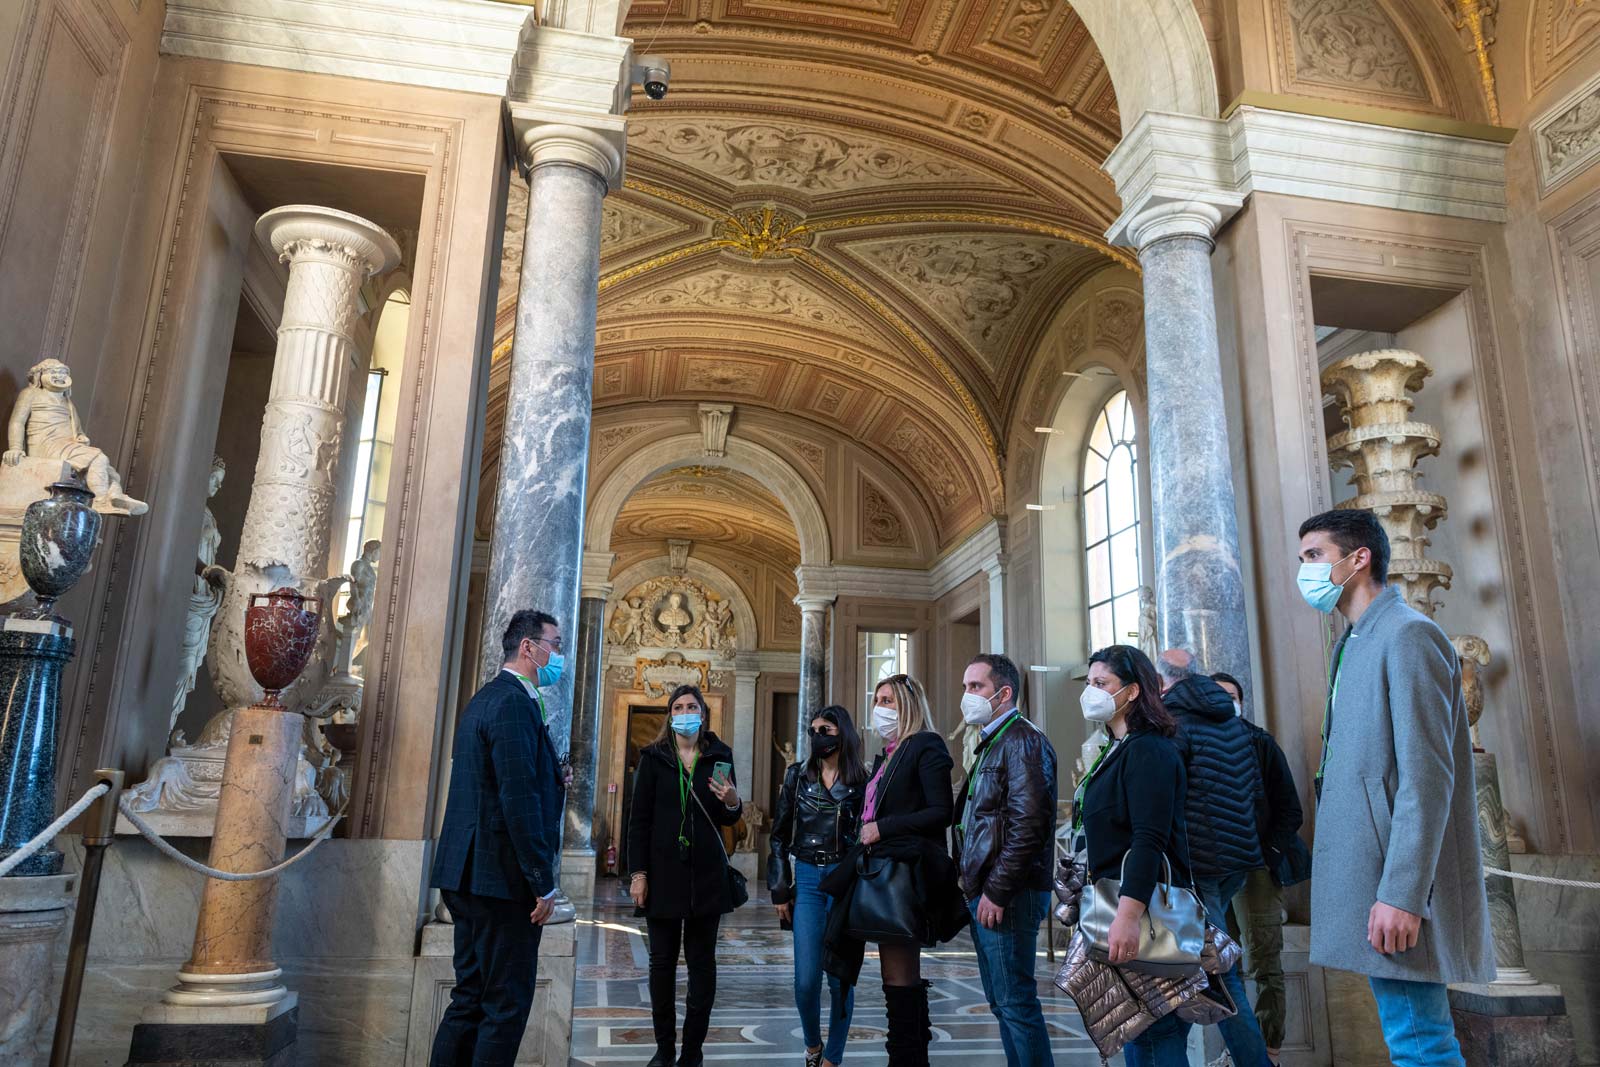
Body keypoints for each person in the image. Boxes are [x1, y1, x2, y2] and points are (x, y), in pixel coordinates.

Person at [1297, 508, 1492, 1067]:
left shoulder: (1409, 634)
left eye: (1314, 556)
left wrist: (1403, 893)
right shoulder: (1350, 643)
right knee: (1408, 1034)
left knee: (1420, 1041)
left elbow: (1427, 778)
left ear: (1359, 559)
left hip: (1396, 883)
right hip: (1369, 875)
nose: (1304, 570)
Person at [429, 610, 567, 1067]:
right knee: (503, 1007)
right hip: (499, 879)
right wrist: (542, 882)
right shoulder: (513, 703)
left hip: (469, 873)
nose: (559, 654)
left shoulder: (487, 698)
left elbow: (498, 781)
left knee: (469, 999)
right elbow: (518, 799)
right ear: (529, 647)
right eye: (556, 644)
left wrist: (552, 773)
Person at [820, 673, 966, 1067]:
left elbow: (941, 812)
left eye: (889, 700)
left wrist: (883, 827)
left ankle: (905, 1059)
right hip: (881, 869)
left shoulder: (926, 746)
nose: (881, 707)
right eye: (878, 699)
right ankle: (910, 1058)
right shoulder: (888, 752)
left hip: (904, 875)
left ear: (909, 705)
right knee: (897, 981)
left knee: (899, 980)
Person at [1071, 644, 1194, 1067]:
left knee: (1155, 1034)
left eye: (1101, 683)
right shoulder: (1117, 747)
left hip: (1145, 911)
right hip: (1121, 904)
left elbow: (1148, 839)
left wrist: (1127, 915)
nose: (1091, 691)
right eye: (1089, 683)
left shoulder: (1149, 750)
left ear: (1134, 691)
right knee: (1139, 1031)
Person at [1154, 649, 1272, 1067]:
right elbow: (1254, 793)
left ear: (1163, 684)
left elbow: (1169, 799)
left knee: (1222, 977)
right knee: (1205, 969)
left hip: (1198, 866)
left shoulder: (1173, 724)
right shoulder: (1233, 722)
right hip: (1234, 861)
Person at [626, 684, 743, 1067]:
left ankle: (692, 1052)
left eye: (692, 705)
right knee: (661, 964)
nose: (686, 711)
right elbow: (638, 820)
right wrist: (638, 873)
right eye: (678, 706)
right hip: (661, 875)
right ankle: (664, 1049)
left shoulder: (720, 756)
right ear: (670, 715)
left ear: (703, 713)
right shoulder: (653, 758)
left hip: (706, 878)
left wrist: (733, 802)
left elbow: (728, 816)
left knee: (702, 966)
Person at [954, 653, 1057, 1066]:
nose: (967, 696)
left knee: (1016, 1003)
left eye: (975, 687)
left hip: (1010, 893)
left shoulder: (1023, 740)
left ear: (1004, 692)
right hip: (989, 890)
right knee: (1002, 1003)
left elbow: (1028, 826)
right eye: (965, 687)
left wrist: (996, 891)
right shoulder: (994, 741)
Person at [1211, 671, 1309, 1067]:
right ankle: (1238, 1051)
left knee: (1263, 961)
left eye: (1230, 695)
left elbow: (1290, 810)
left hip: (1255, 869)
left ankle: (1267, 1053)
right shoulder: (1192, 741)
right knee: (1221, 967)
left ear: (1241, 701)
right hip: (1215, 870)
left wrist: (1266, 854)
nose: (1223, 701)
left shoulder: (1260, 742)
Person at [769, 705, 868, 1067]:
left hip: (846, 880)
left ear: (842, 732)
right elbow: (779, 836)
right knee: (806, 980)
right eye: (812, 731)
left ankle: (832, 1060)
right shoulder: (798, 776)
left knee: (840, 978)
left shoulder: (863, 782)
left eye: (824, 729)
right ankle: (813, 1045)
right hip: (809, 880)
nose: (817, 737)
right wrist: (781, 888)